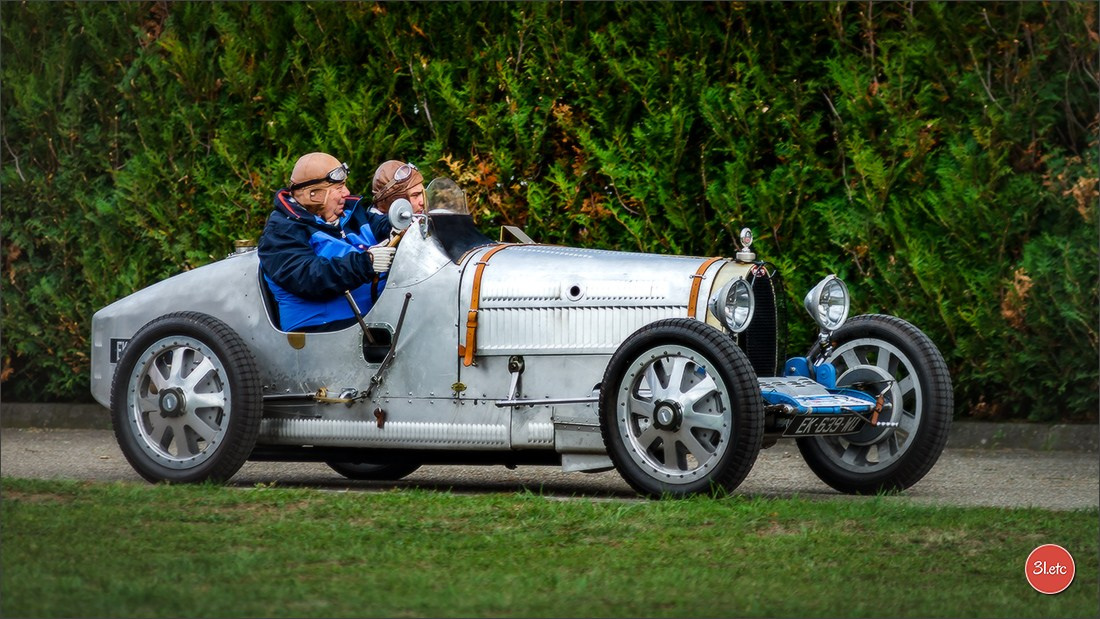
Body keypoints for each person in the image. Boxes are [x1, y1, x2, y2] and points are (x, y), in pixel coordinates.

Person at [258, 152, 396, 332]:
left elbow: (381, 225)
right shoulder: (280, 232)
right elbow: (308, 276)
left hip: (373, 319)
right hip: (320, 327)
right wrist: (366, 263)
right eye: (339, 188)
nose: (346, 193)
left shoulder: (350, 212)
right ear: (314, 195)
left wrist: (404, 225)